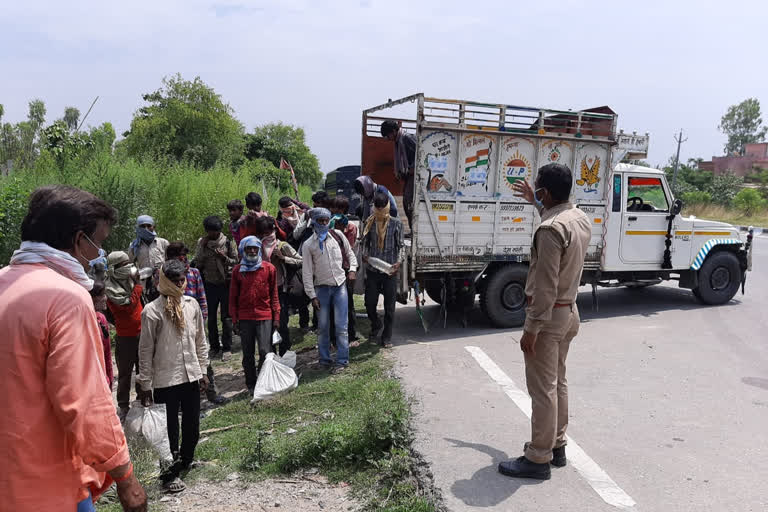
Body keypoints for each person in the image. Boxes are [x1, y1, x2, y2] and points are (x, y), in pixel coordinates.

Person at [0, 185, 147, 511]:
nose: (99, 255)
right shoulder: (65, 298)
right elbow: (84, 403)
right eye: (100, 243)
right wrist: (125, 477)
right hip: (45, 483)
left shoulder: (4, 283)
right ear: (79, 240)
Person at [497, 164, 592, 481]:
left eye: (537, 188)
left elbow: (546, 285)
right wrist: (535, 204)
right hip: (569, 313)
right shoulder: (577, 217)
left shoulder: (550, 230)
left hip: (549, 317)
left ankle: (538, 457)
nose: (535, 190)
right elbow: (555, 222)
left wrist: (531, 328)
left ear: (546, 192)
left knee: (542, 390)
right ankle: (557, 446)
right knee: (557, 383)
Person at [137, 260, 209, 494]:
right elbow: (145, 350)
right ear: (164, 281)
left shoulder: (191, 304)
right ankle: (169, 475)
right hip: (165, 380)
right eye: (175, 281)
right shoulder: (152, 311)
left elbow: (200, 340)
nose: (180, 285)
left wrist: (203, 370)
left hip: (190, 375)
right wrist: (145, 385)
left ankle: (186, 459)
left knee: (192, 425)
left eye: (182, 280)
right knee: (169, 430)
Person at [166, 242, 228, 405]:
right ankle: (189, 401)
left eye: (184, 255)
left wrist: (202, 319)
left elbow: (202, 298)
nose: (183, 258)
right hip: (175, 326)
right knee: (182, 362)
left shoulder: (193, 273)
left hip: (195, 324)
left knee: (203, 357)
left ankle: (211, 393)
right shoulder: (165, 276)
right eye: (179, 255)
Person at [301, 208, 357, 373]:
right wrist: (312, 295)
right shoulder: (308, 245)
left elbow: (350, 254)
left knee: (341, 326)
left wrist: (352, 269)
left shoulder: (338, 236)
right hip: (321, 289)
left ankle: (342, 360)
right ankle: (324, 359)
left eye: (326, 220)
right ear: (314, 222)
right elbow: (307, 272)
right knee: (323, 327)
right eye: (321, 221)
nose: (324, 224)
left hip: (340, 286)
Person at [229, 236, 280, 393]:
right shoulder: (238, 271)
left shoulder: (269, 268)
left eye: (255, 248)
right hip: (245, 317)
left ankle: (265, 381)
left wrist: (276, 318)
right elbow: (232, 298)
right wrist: (234, 319)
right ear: (243, 250)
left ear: (259, 250)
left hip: (265, 315)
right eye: (248, 248)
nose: (252, 251)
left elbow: (274, 295)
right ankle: (251, 384)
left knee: (266, 351)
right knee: (248, 353)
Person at [106, 251, 144, 422]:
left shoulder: (129, 280)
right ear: (114, 269)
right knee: (125, 373)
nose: (128, 268)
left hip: (142, 332)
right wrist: (137, 286)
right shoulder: (111, 289)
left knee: (143, 369)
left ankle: (142, 399)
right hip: (125, 337)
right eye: (124, 265)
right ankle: (123, 405)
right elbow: (127, 307)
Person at [362, 192, 404, 348]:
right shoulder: (369, 222)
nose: (379, 210)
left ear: (386, 206)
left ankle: (387, 337)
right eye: (376, 207)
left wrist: (398, 262)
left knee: (390, 307)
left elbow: (401, 247)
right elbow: (365, 243)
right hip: (373, 270)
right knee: (369, 303)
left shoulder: (396, 224)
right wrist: (365, 255)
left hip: (389, 271)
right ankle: (375, 323)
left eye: (381, 207)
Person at [194, 215, 238, 360]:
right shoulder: (202, 243)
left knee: (226, 317)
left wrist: (224, 258)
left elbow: (236, 261)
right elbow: (198, 261)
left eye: (216, 232)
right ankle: (214, 346)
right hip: (209, 284)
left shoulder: (227, 242)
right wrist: (203, 247)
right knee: (211, 317)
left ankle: (227, 347)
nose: (214, 234)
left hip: (225, 283)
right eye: (211, 232)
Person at [257, 216, 302, 356]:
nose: (267, 235)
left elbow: (300, 260)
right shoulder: (256, 247)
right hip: (262, 291)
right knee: (266, 325)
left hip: (280, 288)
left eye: (269, 231)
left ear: (274, 230)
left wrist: (284, 258)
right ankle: (270, 355)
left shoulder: (282, 246)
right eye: (264, 232)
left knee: (281, 323)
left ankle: (284, 352)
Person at [330, 195, 360, 345]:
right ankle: (333, 338)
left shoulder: (351, 227)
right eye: (334, 208)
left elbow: (348, 249)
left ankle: (351, 335)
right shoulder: (327, 225)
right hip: (330, 270)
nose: (336, 211)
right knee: (330, 307)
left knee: (347, 304)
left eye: (340, 209)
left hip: (345, 268)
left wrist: (338, 230)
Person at [381, 120, 416, 230]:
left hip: (414, 175)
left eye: (388, 136)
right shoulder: (399, 141)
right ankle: (413, 229)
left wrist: (411, 169)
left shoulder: (406, 138)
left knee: (408, 202)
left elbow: (420, 154)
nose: (388, 139)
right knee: (407, 203)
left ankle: (415, 229)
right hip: (409, 176)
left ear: (393, 131)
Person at [91, 280, 114, 389]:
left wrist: (109, 380)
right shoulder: (85, 321)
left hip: (104, 381)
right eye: (101, 295)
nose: (105, 298)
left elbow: (107, 353)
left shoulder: (101, 319)